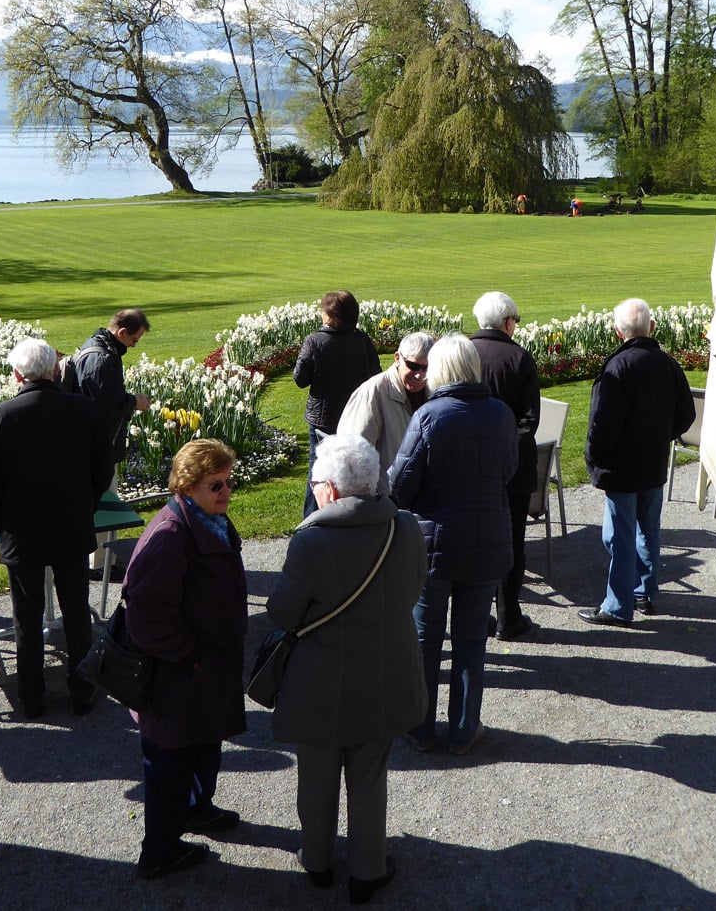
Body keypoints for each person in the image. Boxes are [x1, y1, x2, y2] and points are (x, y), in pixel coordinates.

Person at [268, 434, 426, 903]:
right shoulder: (407, 529)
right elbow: (413, 591)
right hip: (383, 672)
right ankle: (368, 870)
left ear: (331, 491)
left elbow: (281, 613)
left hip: (319, 681)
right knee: (370, 776)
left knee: (315, 775)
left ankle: (316, 862)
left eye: (317, 482)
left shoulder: (312, 540)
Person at [122, 439, 248, 880]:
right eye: (216, 485)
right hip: (175, 678)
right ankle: (158, 851)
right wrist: (191, 656)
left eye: (230, 482)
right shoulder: (170, 536)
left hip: (202, 674)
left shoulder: (207, 518)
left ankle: (197, 809)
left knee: (201, 746)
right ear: (188, 484)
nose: (226, 492)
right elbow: (147, 618)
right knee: (169, 763)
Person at [388, 334, 516, 756]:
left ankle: (420, 728)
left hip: (435, 544)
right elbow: (509, 471)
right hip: (488, 537)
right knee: (470, 641)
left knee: (425, 641)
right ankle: (463, 730)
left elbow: (400, 487)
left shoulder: (429, 416)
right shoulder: (500, 413)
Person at [0, 338, 111, 719]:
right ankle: (83, 691)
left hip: (23, 532)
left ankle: (31, 697)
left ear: (17, 374)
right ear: (54, 370)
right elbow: (102, 470)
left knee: (27, 619)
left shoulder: (2, 416)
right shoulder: (84, 410)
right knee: (77, 614)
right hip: (71, 526)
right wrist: (86, 505)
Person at [580, 298, 695, 628]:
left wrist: (594, 456)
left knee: (619, 536)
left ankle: (618, 606)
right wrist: (661, 436)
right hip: (652, 464)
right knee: (647, 532)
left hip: (622, 468)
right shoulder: (668, 365)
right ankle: (644, 592)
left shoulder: (617, 368)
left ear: (618, 332)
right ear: (652, 327)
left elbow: (601, 425)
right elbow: (686, 414)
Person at [469, 291, 541, 641]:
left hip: (469, 466)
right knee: (511, 542)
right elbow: (529, 421)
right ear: (508, 322)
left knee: (474, 540)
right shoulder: (519, 358)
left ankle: (476, 615)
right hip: (512, 469)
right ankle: (507, 618)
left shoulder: (462, 353)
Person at [294, 290, 380, 518]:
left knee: (318, 471)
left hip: (323, 419)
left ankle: (312, 519)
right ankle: (355, 515)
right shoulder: (362, 341)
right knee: (355, 472)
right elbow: (376, 374)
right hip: (355, 415)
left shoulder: (314, 341)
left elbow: (299, 379)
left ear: (331, 316)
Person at [336, 331, 435, 495]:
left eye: (427, 368)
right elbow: (351, 455)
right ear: (397, 358)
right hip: (386, 499)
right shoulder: (372, 393)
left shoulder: (434, 390)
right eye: (413, 366)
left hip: (422, 499)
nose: (420, 375)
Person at [63, 308, 152, 483]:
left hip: (91, 445)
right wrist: (135, 401)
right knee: (103, 503)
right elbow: (106, 407)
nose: (134, 345)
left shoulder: (97, 345)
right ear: (122, 332)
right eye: (134, 340)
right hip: (98, 450)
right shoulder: (102, 359)